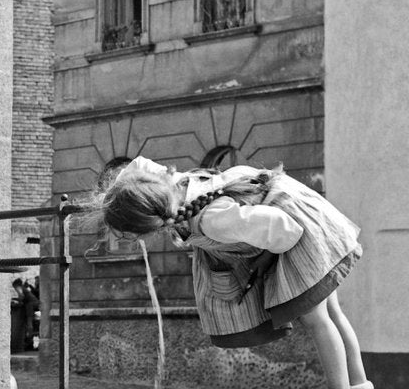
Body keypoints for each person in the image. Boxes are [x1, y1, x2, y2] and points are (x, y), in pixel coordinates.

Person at [99, 156, 372, 389]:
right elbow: (141, 166)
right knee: (333, 315)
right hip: (299, 212)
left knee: (317, 320)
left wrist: (265, 257)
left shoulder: (212, 220)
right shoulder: (175, 186)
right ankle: (360, 384)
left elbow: (287, 231)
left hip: (299, 231)